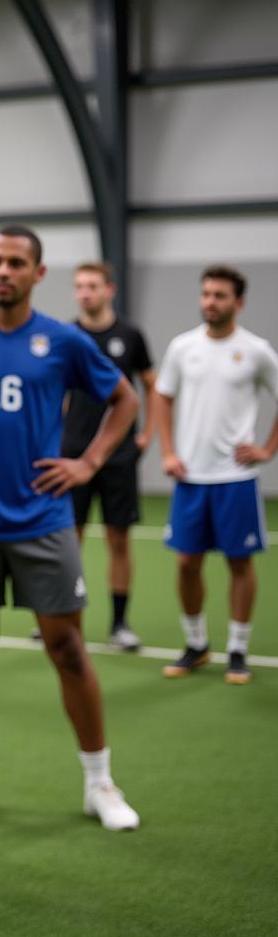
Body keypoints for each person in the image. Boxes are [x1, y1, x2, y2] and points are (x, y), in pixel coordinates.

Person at [0, 225, 141, 831]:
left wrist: (89, 462)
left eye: (16, 262)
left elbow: (127, 400)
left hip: (44, 518)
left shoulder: (62, 342)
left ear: (39, 274)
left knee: (67, 648)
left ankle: (100, 783)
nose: (3, 271)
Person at [156, 265, 278, 686]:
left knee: (239, 563)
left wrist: (266, 449)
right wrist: (169, 451)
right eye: (206, 294)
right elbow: (163, 397)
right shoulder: (181, 347)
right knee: (187, 562)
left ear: (238, 303)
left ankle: (239, 650)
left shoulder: (256, 350)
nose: (210, 301)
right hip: (190, 477)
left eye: (220, 295)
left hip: (236, 479)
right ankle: (196, 644)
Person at [60, 261, 158, 650]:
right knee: (69, 539)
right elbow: (57, 392)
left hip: (118, 455)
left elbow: (152, 385)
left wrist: (148, 434)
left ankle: (119, 623)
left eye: (92, 286)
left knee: (119, 539)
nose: (85, 292)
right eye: (80, 286)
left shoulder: (130, 335)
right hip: (72, 453)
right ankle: (62, 616)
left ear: (109, 290)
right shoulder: (66, 335)